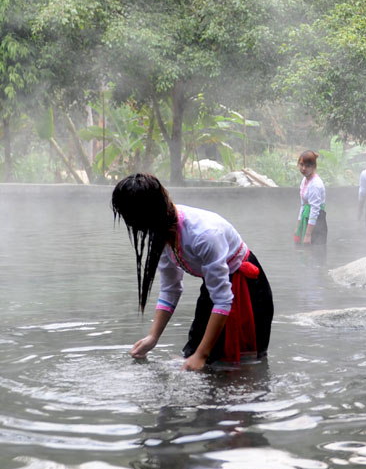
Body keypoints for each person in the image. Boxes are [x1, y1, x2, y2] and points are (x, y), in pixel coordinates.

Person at [112, 173, 273, 371]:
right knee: (192, 357)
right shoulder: (161, 232)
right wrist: (153, 337)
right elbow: (171, 288)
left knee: (239, 368)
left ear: (147, 215)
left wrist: (201, 355)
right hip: (215, 287)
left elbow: (223, 300)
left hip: (245, 288)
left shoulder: (203, 235)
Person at [294, 150, 327, 245]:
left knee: (315, 249)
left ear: (314, 167)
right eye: (301, 164)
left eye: (307, 166)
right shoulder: (305, 180)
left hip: (317, 221)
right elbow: (303, 205)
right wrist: (298, 227)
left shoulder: (315, 184)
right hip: (307, 218)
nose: (303, 168)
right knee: (304, 249)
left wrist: (308, 234)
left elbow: (315, 210)